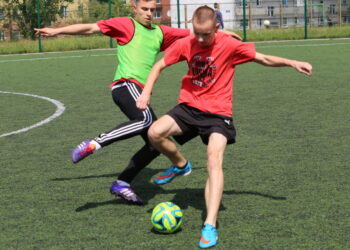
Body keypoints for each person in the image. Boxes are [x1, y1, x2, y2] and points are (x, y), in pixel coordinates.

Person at [136, 5, 312, 248]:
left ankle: (209, 224)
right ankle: (180, 165)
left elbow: (263, 58)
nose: (199, 38)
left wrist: (292, 62)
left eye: (205, 34)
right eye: (196, 32)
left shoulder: (229, 45)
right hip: (189, 107)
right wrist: (146, 92)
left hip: (218, 114)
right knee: (154, 132)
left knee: (213, 159)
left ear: (216, 28)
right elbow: (159, 66)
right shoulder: (188, 42)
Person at [34, 0, 241, 206]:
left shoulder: (161, 32)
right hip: (125, 86)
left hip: (140, 92)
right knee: (145, 119)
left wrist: (224, 34)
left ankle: (122, 183)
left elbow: (195, 35)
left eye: (152, 10)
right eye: (145, 9)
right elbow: (91, 27)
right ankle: (94, 144)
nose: (149, 13)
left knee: (155, 143)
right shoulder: (126, 25)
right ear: (134, 8)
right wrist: (56, 31)